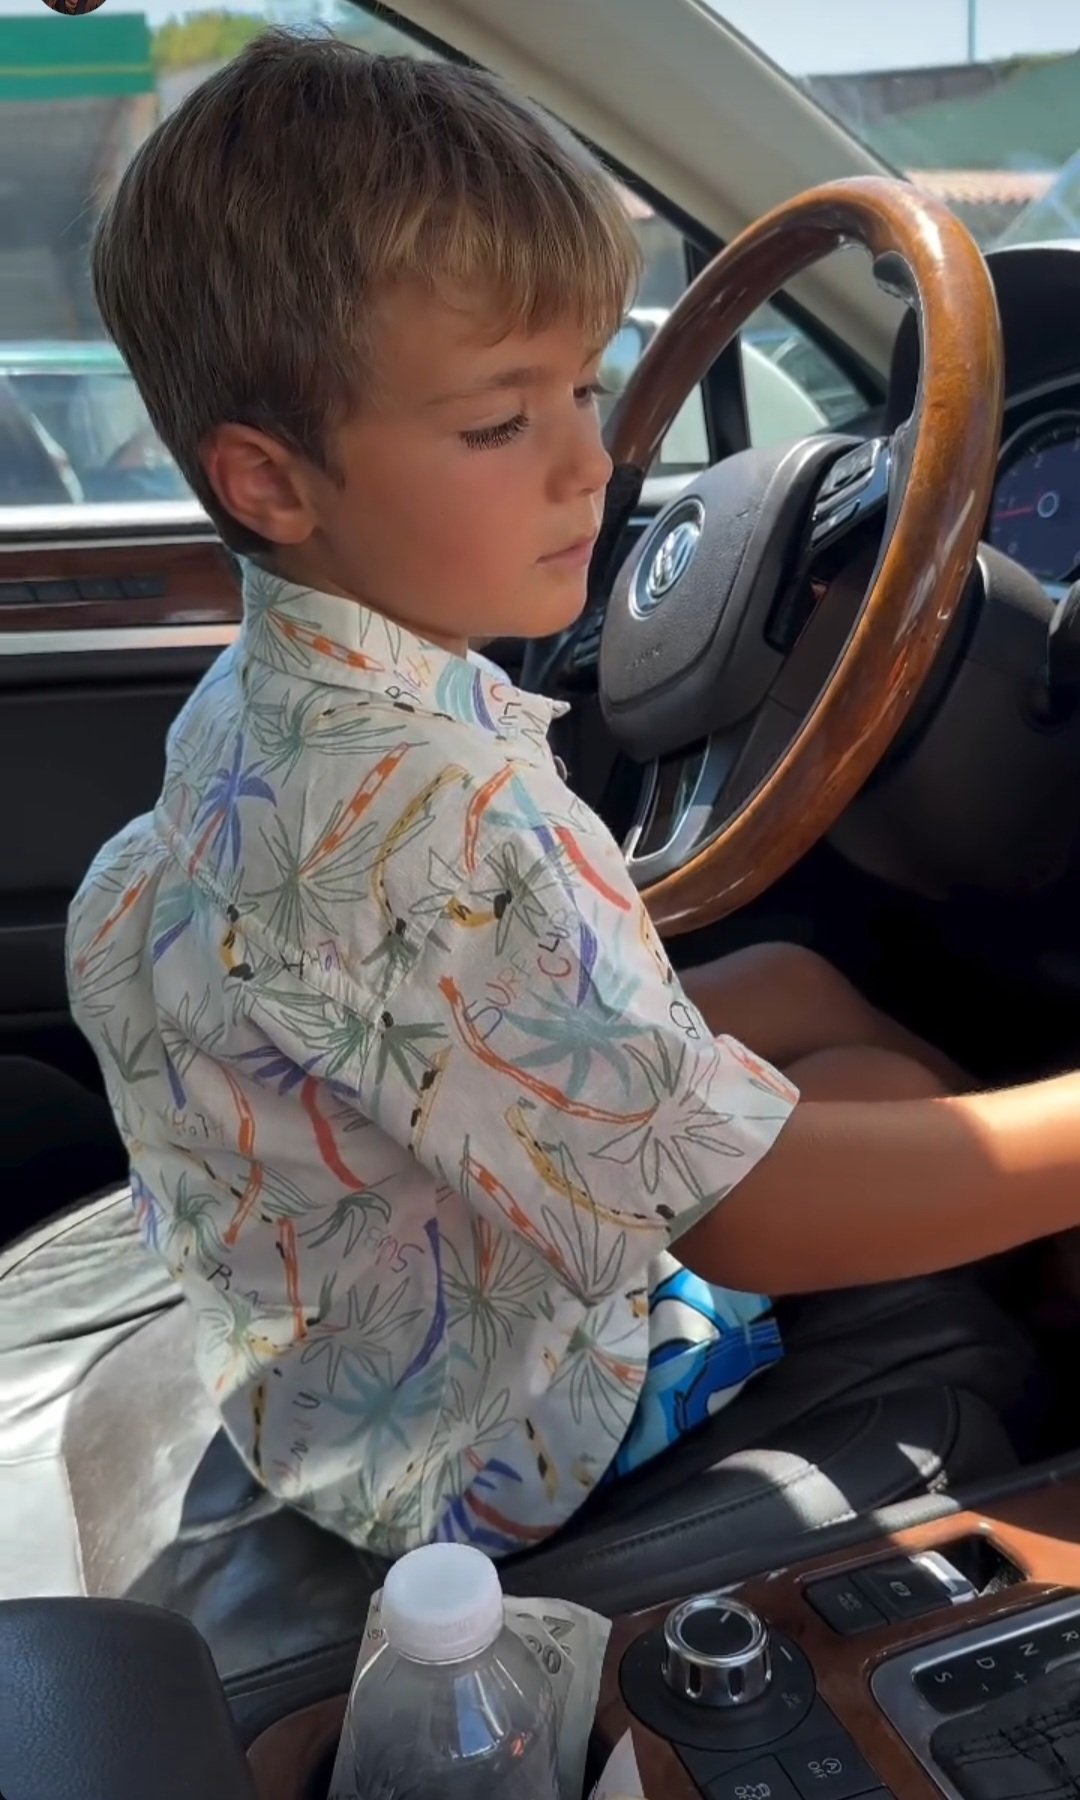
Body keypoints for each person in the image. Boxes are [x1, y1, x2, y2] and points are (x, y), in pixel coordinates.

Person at [66, 33, 1079, 1558]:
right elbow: (740, 1210)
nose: (592, 464)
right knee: (881, 1097)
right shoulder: (436, 819)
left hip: (342, 1320)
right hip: (473, 1434)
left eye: (589, 389)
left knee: (798, 980)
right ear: (271, 481)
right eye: (499, 423)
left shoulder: (290, 691)